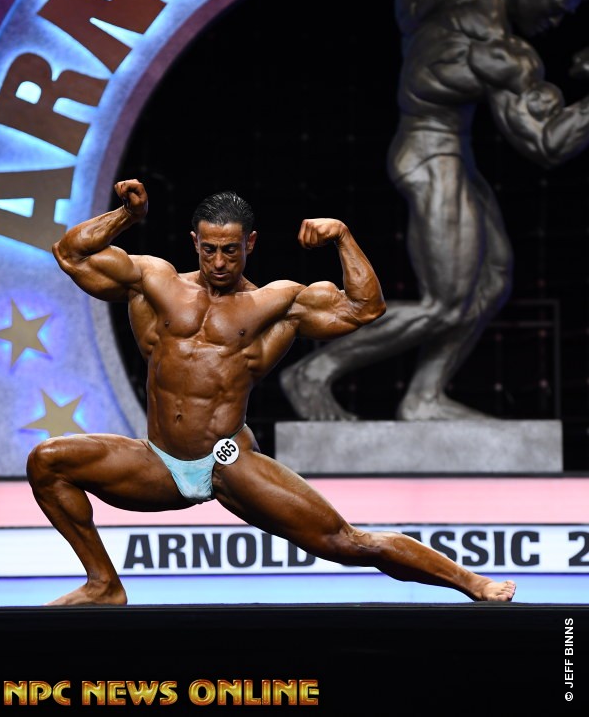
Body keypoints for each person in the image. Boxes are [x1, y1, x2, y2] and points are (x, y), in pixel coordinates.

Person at [27, 178, 515, 605]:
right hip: (158, 460)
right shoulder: (153, 282)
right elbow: (71, 253)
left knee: (346, 542)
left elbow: (365, 308)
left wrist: (342, 237)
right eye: (209, 249)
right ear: (194, 242)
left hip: (228, 461)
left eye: (231, 250)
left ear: (251, 243)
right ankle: (103, 583)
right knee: (47, 461)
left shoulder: (277, 302)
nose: (220, 262)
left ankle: (471, 582)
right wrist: (127, 215)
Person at [280, 0, 589, 423]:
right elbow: (545, 143)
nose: (555, 22)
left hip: (448, 154)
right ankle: (314, 373)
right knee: (445, 302)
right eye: (554, 8)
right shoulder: (504, 56)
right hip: (431, 154)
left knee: (492, 281)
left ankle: (424, 397)